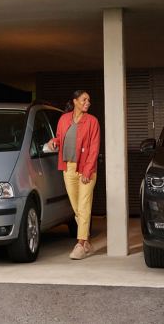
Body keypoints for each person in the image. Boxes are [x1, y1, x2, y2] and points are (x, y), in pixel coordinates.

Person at [49, 90, 101, 260]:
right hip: (68, 167)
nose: (88, 102)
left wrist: (88, 170)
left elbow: (94, 149)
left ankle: (80, 244)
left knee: (84, 205)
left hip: (86, 168)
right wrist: (53, 142)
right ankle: (87, 243)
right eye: (84, 99)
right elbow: (59, 138)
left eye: (89, 100)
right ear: (75, 101)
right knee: (77, 208)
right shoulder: (64, 119)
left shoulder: (92, 121)